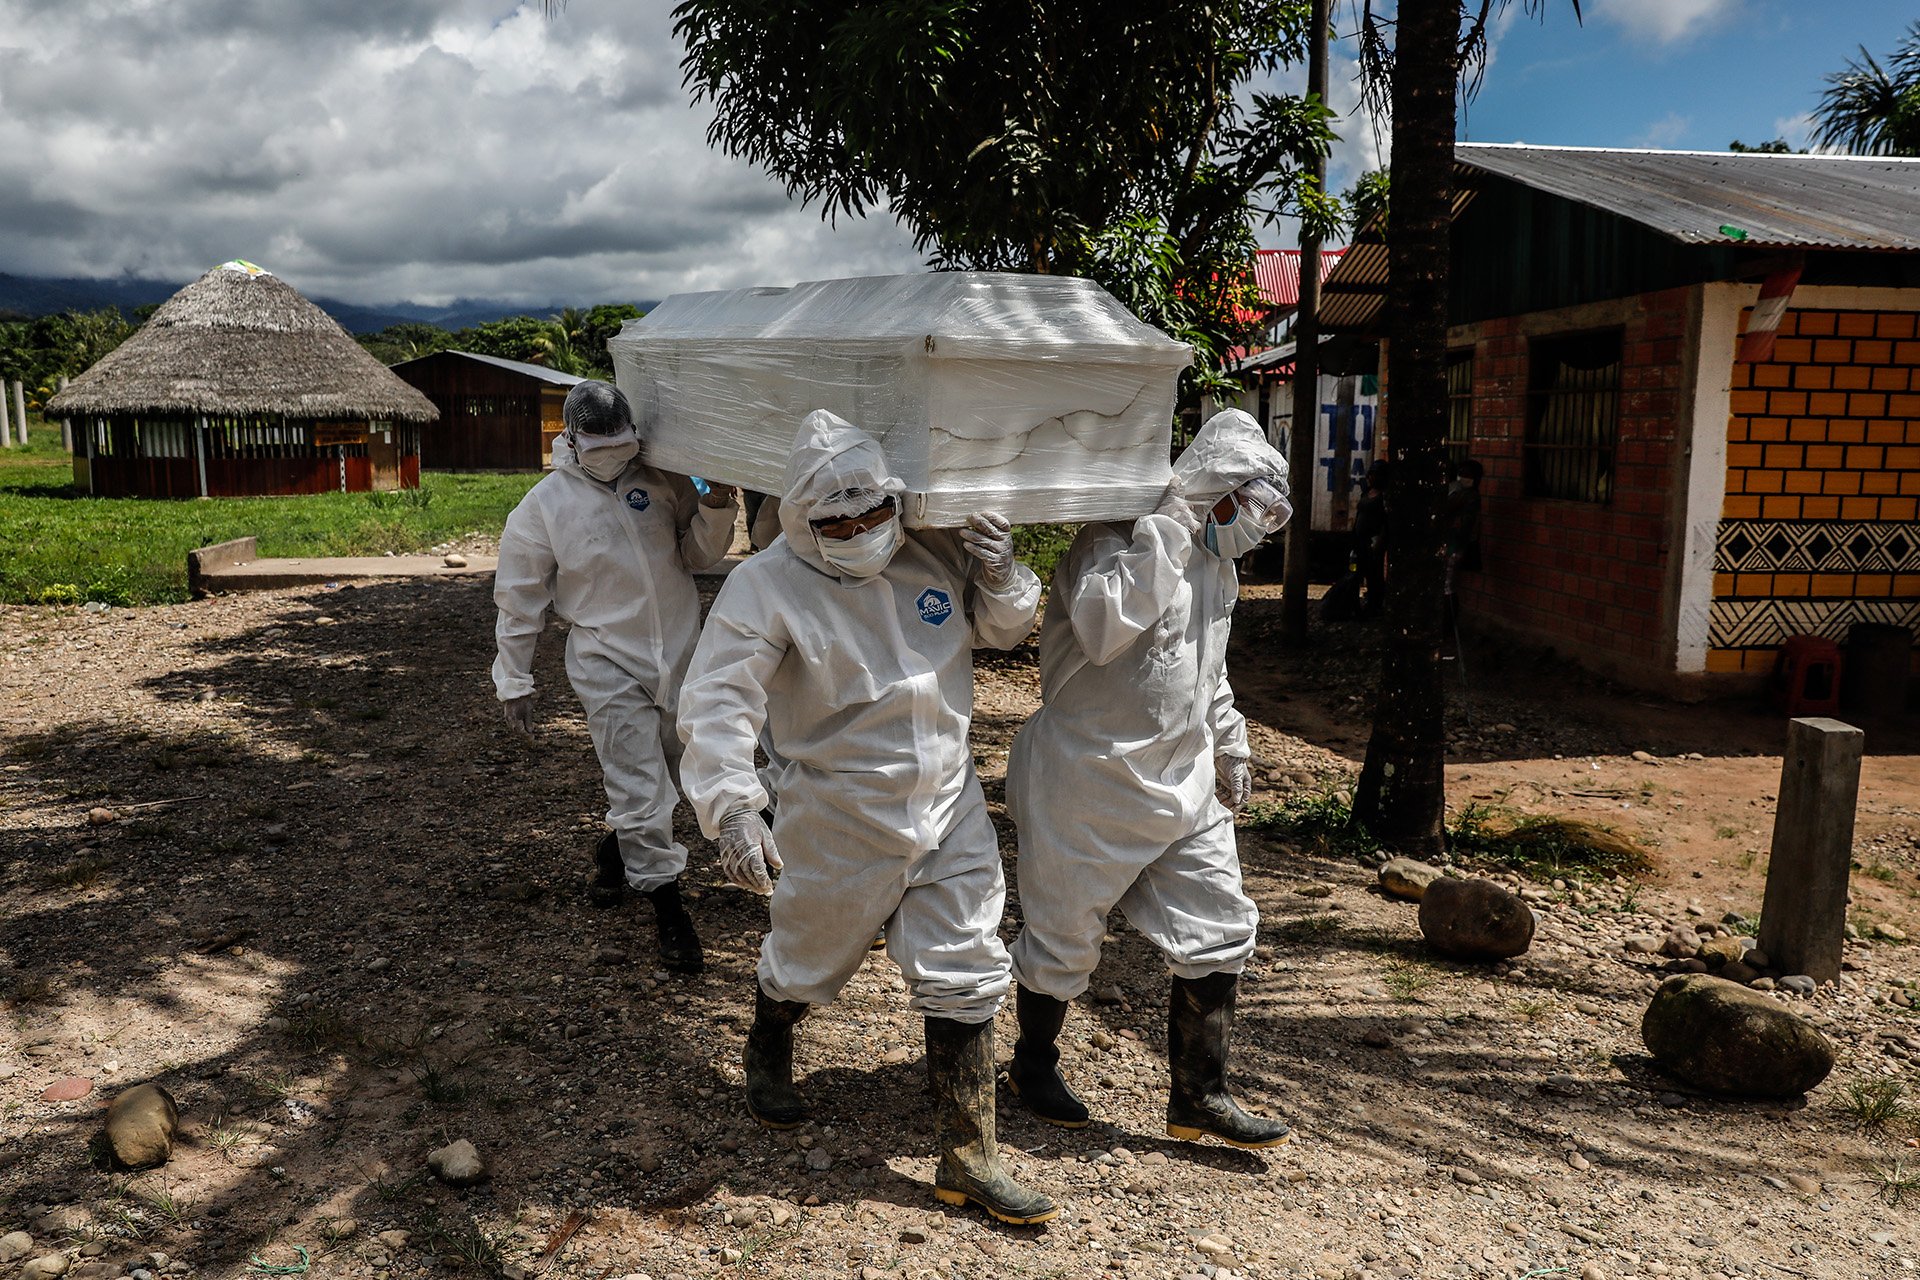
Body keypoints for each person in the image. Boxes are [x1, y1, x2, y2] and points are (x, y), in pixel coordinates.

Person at [676, 410, 1056, 1225]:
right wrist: (733, 806)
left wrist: (1004, 577)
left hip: (948, 800)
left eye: (871, 513)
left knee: (965, 962)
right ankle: (771, 1031)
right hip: (838, 811)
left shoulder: (931, 552)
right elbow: (717, 700)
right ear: (799, 520)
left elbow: (1004, 632)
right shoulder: (766, 584)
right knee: (806, 950)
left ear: (895, 502)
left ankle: (969, 1155)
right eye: (833, 521)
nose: (855, 530)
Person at [1003, 408, 1294, 1151]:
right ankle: (1032, 1065)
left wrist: (1231, 746)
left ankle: (1200, 1095)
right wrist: (1168, 523)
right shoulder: (1111, 542)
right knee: (1064, 939)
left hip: (1182, 777)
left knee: (1222, 925)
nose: (1255, 529)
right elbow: (1104, 630)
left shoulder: (1217, 566)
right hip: (1088, 781)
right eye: (1249, 507)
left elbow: (1207, 671)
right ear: (1210, 493)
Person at [491, 380, 738, 975]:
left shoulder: (662, 482)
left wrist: (716, 505)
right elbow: (519, 599)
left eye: (622, 442)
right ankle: (668, 908)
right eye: (599, 444)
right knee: (637, 783)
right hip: (605, 660)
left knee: (692, 764)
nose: (612, 453)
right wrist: (514, 679)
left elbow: (700, 557)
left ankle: (614, 852)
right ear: (570, 441)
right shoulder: (543, 508)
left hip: (682, 648)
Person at [1351, 459, 1392, 618]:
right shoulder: (1366, 493)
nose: (1370, 477)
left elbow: (1386, 522)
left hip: (1373, 542)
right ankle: (1356, 606)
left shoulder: (1384, 497)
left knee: (1374, 575)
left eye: (1375, 474)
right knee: (1356, 572)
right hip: (1360, 540)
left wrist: (1380, 541)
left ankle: (1374, 606)